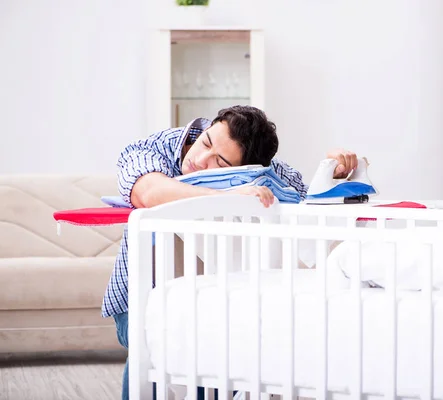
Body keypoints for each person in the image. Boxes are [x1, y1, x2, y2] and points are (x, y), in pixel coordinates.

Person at [102, 105, 358, 400]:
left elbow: (304, 202)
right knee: (155, 345)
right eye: (206, 142)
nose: (200, 160)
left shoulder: (267, 174)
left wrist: (334, 173)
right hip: (140, 298)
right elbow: (148, 193)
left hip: (214, 296)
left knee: (231, 352)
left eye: (220, 164)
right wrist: (226, 196)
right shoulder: (152, 149)